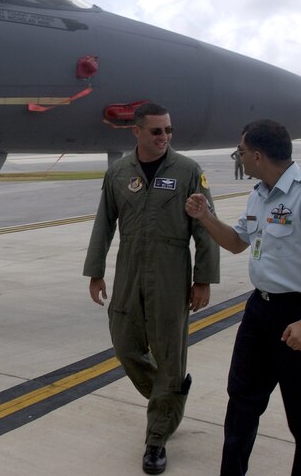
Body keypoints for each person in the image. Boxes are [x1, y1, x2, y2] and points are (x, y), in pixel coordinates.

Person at [185, 119, 301, 476]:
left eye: (240, 152)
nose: (239, 157)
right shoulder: (259, 193)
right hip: (260, 311)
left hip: (300, 314)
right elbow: (237, 242)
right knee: (241, 402)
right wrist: (205, 217)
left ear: (257, 155)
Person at [83, 102, 220, 475]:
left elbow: (206, 227)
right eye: (157, 131)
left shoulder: (188, 171)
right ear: (137, 131)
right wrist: (95, 272)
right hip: (128, 268)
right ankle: (172, 394)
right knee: (125, 345)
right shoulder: (118, 172)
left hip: (172, 272)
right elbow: (103, 225)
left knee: (169, 353)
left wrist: (203, 279)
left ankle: (156, 440)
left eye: (169, 130)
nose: (165, 137)